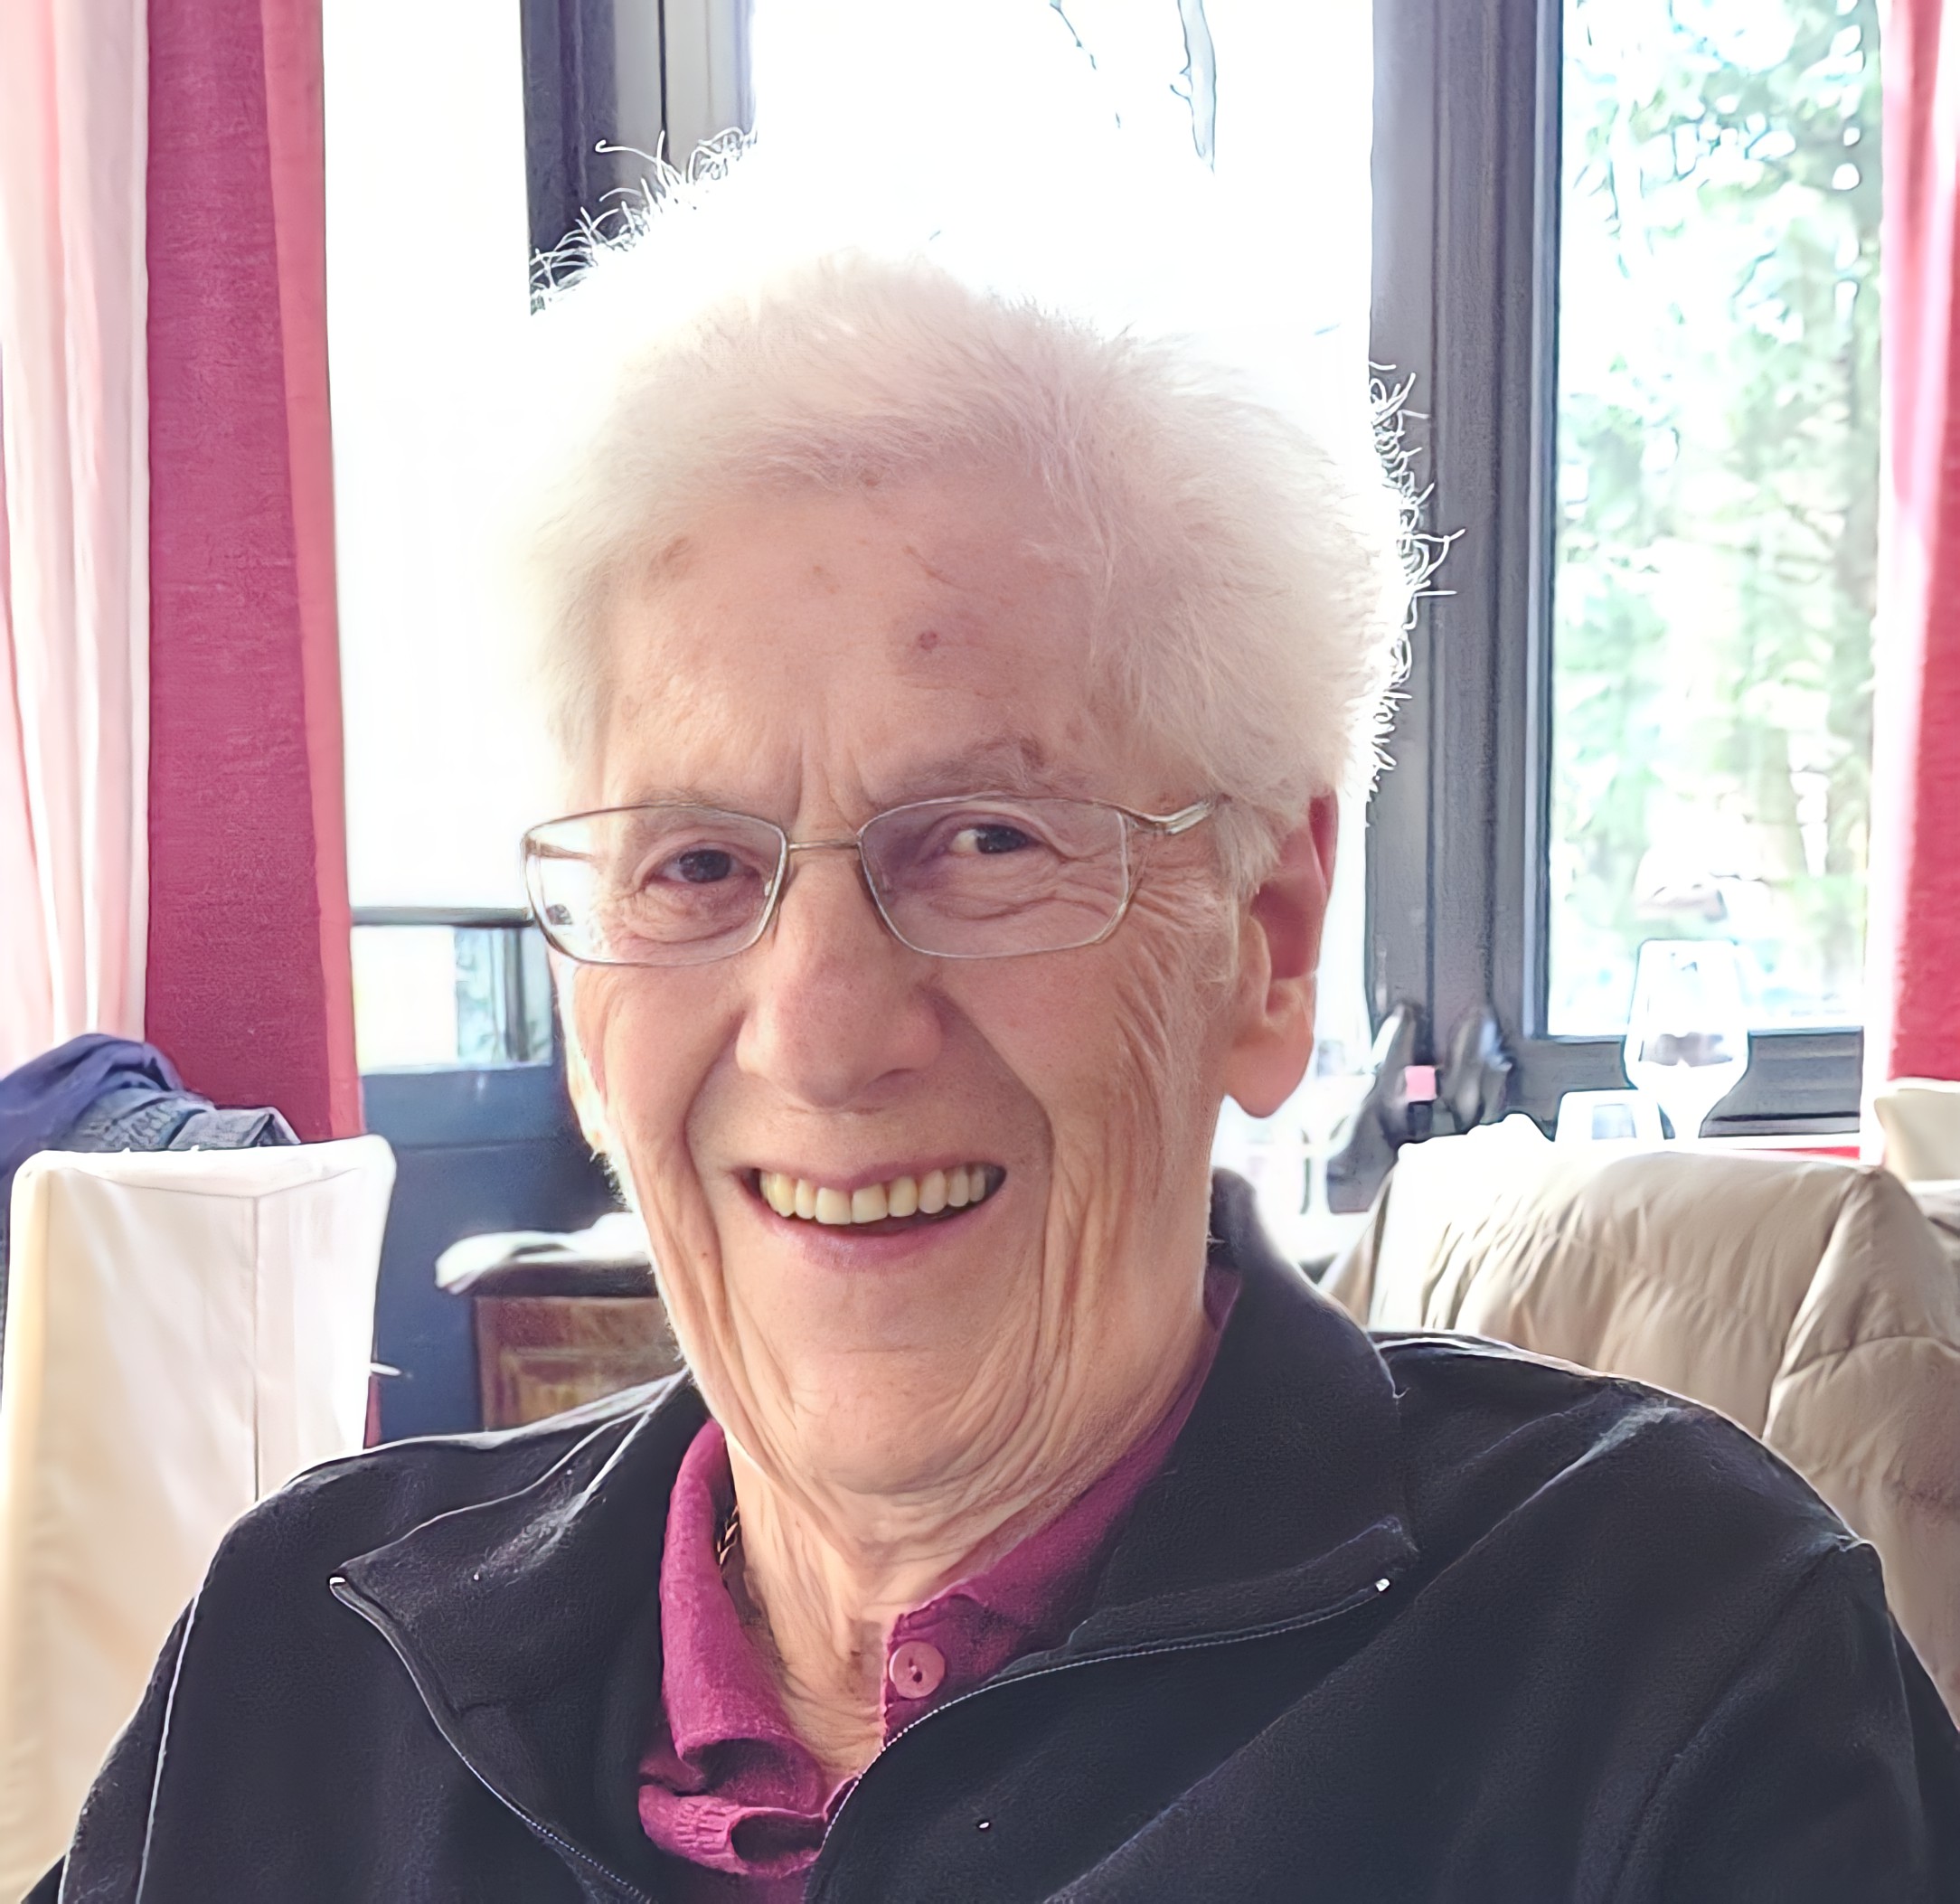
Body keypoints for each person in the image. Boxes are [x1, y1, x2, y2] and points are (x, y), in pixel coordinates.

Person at [40, 169, 1960, 1903]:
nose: (821, 1030)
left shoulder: (1671, 1678)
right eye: (696, 863)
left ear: (1265, 940)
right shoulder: (302, 1663)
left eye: (986, 842)